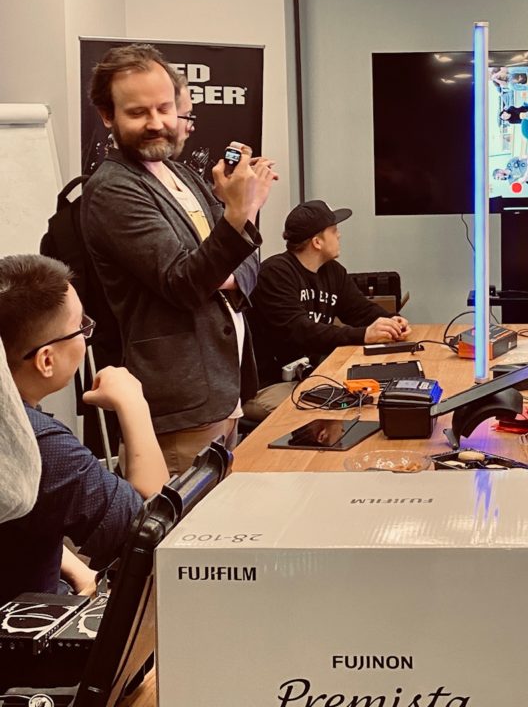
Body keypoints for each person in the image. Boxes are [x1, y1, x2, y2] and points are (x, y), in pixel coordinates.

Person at [81, 43, 277, 474]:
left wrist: (232, 237)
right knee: (191, 515)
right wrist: (240, 213)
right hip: (181, 407)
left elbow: (247, 260)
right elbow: (185, 282)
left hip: (225, 390)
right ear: (107, 115)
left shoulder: (181, 172)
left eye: (164, 108)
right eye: (138, 112)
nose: (156, 123)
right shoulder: (113, 190)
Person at [0, 254, 169, 605]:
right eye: (81, 327)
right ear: (46, 360)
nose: (87, 335)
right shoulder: (38, 445)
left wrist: (73, 565)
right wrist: (134, 405)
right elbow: (155, 531)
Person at [250, 201, 410, 410]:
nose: (339, 235)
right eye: (334, 231)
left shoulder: (333, 271)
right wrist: (363, 334)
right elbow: (300, 332)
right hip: (270, 384)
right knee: (330, 411)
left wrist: (391, 322)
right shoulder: (275, 273)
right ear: (317, 242)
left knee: (366, 399)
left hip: (311, 375)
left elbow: (360, 310)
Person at [0, 342, 41, 525]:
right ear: (46, 360)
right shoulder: (54, 444)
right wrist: (125, 402)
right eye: (81, 330)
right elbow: (125, 521)